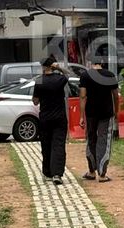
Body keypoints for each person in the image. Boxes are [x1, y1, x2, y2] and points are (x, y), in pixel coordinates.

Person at [32, 54, 70, 185]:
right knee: (58, 145)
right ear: (52, 66)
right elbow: (68, 74)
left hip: (45, 118)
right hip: (59, 118)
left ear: (43, 67)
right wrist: (59, 68)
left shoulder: (39, 81)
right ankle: (57, 174)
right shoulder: (59, 79)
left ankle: (47, 170)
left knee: (46, 144)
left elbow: (35, 102)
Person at [79, 60, 119, 183]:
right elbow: (115, 95)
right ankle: (102, 174)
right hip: (106, 113)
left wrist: (81, 116)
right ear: (103, 63)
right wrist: (116, 111)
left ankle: (91, 172)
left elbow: (82, 96)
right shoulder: (110, 75)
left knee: (91, 139)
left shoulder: (85, 75)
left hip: (90, 113)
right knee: (104, 140)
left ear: (91, 63)